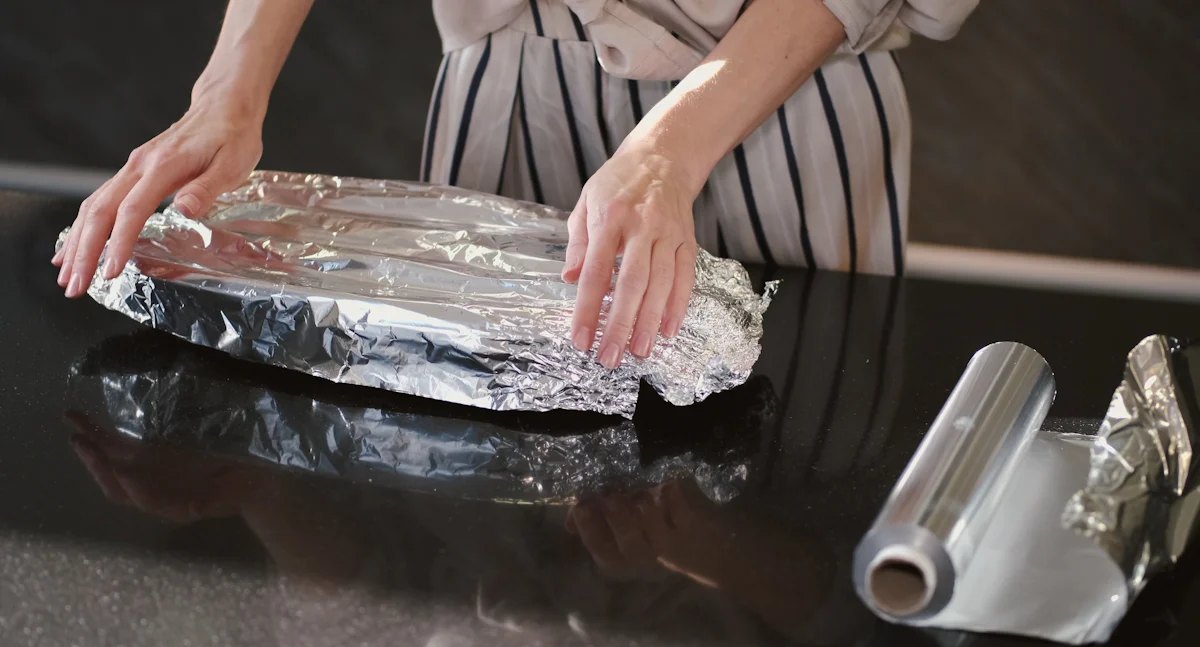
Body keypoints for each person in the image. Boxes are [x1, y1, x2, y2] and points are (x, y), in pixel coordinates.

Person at [51, 0, 977, 368]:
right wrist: (226, 93)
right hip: (507, 84)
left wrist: (670, 148)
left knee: (775, 490)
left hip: (775, 96)